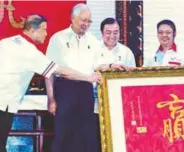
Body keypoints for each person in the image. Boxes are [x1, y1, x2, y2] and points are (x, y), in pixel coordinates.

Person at [0, 14, 101, 152]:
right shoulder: (30, 53)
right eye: (44, 30)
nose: (46, 34)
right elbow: (61, 71)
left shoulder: (7, 42)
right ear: (33, 30)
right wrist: (89, 78)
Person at [45, 4, 127, 152]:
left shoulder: (92, 40)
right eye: (83, 20)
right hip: (65, 90)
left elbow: (97, 65)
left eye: (89, 21)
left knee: (85, 135)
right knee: (63, 134)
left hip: (85, 92)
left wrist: (111, 65)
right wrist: (51, 98)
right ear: (73, 18)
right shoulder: (58, 39)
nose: (86, 25)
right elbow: (50, 71)